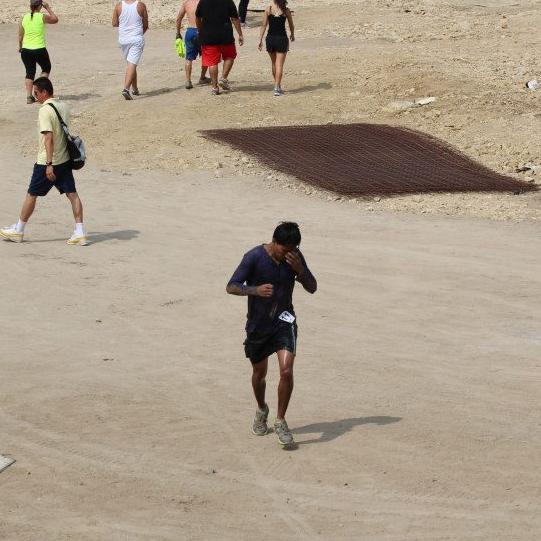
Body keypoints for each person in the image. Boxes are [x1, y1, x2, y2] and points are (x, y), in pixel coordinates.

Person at [226, 222, 317, 446]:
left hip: (285, 321)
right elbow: (232, 286)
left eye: (293, 249)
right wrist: (254, 290)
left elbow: (312, 287)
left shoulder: (294, 257)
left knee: (286, 371)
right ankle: (261, 408)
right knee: (260, 374)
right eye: (285, 249)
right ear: (274, 242)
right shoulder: (254, 257)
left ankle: (280, 420)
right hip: (258, 325)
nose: (289, 254)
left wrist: (301, 270)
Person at [0, 78, 88, 246]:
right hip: (64, 160)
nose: (35, 97)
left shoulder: (45, 110)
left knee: (32, 194)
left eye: (36, 93)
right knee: (72, 194)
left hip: (47, 162)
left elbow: (49, 138)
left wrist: (48, 164)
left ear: (44, 92)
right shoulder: (63, 106)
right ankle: (79, 231)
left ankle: (18, 230)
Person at [195, 0, 244, 95]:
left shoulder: (203, 1)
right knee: (230, 56)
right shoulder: (228, 1)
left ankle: (214, 87)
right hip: (225, 34)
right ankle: (223, 78)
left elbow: (198, 17)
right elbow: (235, 18)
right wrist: (240, 34)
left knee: (212, 62)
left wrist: (200, 30)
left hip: (208, 35)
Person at [18, 0, 58, 104]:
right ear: (40, 6)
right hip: (39, 49)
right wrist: (48, 7)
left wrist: (20, 47)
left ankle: (29, 97)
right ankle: (40, 92)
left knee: (30, 72)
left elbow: (20, 36)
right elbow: (55, 19)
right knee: (46, 68)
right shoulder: (41, 16)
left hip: (26, 50)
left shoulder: (24, 17)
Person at [112, 0, 148, 100]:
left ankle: (135, 89)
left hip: (123, 39)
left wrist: (125, 25)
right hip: (136, 38)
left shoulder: (118, 6)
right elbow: (145, 25)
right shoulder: (141, 5)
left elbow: (114, 23)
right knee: (132, 64)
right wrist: (138, 33)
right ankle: (126, 89)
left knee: (131, 64)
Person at [258, 0, 294, 96]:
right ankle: (277, 88)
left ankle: (277, 85)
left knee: (274, 63)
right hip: (282, 39)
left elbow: (264, 25)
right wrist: (292, 34)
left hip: (270, 39)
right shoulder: (286, 10)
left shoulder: (268, 9)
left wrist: (260, 39)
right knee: (279, 65)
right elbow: (291, 24)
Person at [176, 0, 210, 90]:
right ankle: (202, 77)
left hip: (190, 31)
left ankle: (188, 81)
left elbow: (178, 18)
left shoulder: (186, 3)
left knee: (188, 58)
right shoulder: (205, 2)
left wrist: (178, 33)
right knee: (206, 55)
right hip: (203, 31)